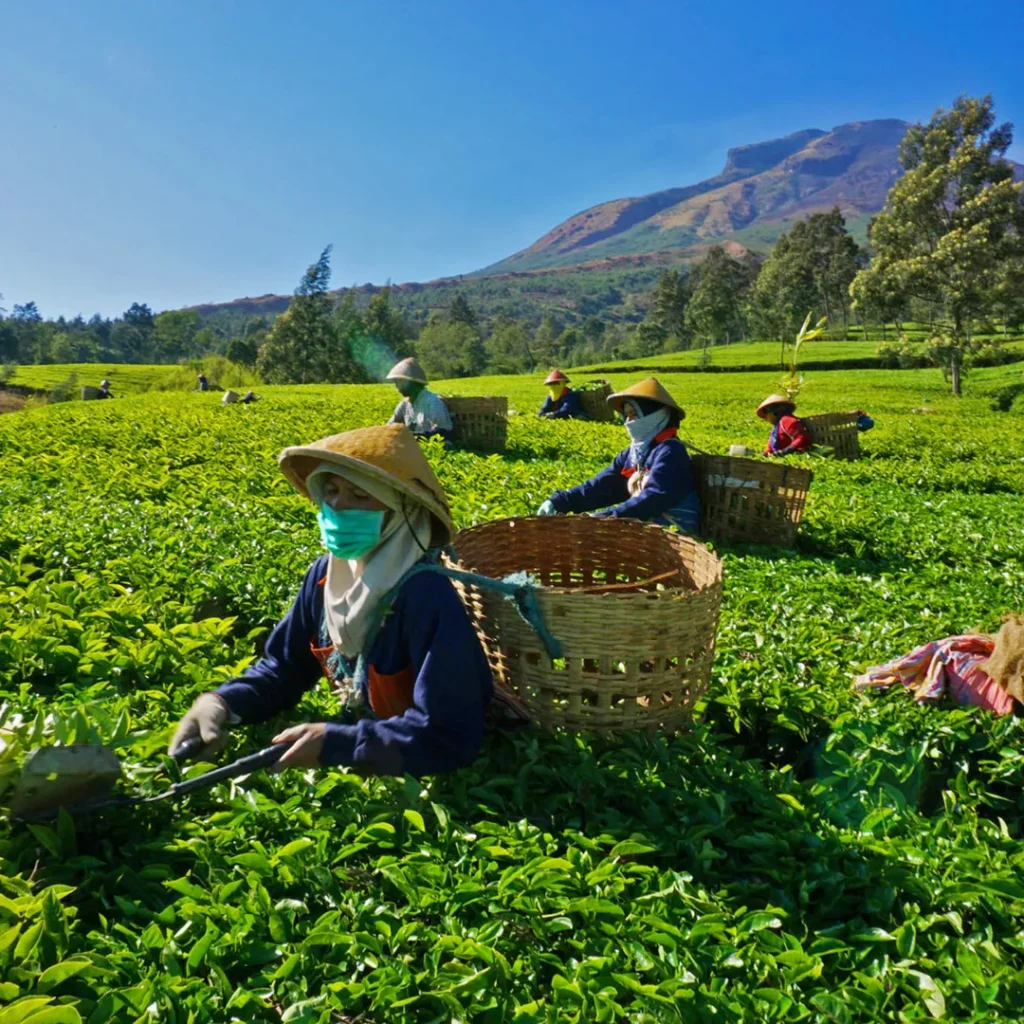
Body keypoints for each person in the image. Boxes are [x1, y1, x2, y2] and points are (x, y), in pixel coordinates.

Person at [169, 424, 494, 776]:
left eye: (360, 495)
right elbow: (285, 667)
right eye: (333, 490)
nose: (338, 505)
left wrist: (340, 744)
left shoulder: (425, 594)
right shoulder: (324, 575)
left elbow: (448, 734)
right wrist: (223, 703)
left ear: (400, 510)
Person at [536, 377, 700, 532]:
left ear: (656, 414)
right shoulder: (633, 453)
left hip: (675, 531)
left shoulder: (670, 451)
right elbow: (602, 486)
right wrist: (562, 501)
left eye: (634, 414)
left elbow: (654, 498)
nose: (629, 422)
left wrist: (605, 518)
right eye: (626, 415)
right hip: (647, 525)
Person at [385, 358, 453, 441]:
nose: (397, 387)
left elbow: (444, 433)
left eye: (399, 382)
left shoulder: (432, 402)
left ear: (411, 382)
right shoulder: (404, 404)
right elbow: (389, 427)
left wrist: (414, 436)